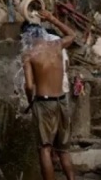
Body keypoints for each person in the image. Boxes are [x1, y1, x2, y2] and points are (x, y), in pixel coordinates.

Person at [22, 12, 78, 180]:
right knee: (64, 150)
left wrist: (30, 99)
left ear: (26, 36)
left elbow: (29, 85)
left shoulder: (28, 55)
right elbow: (73, 35)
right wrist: (53, 19)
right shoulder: (57, 45)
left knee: (45, 149)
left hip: (44, 103)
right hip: (62, 100)